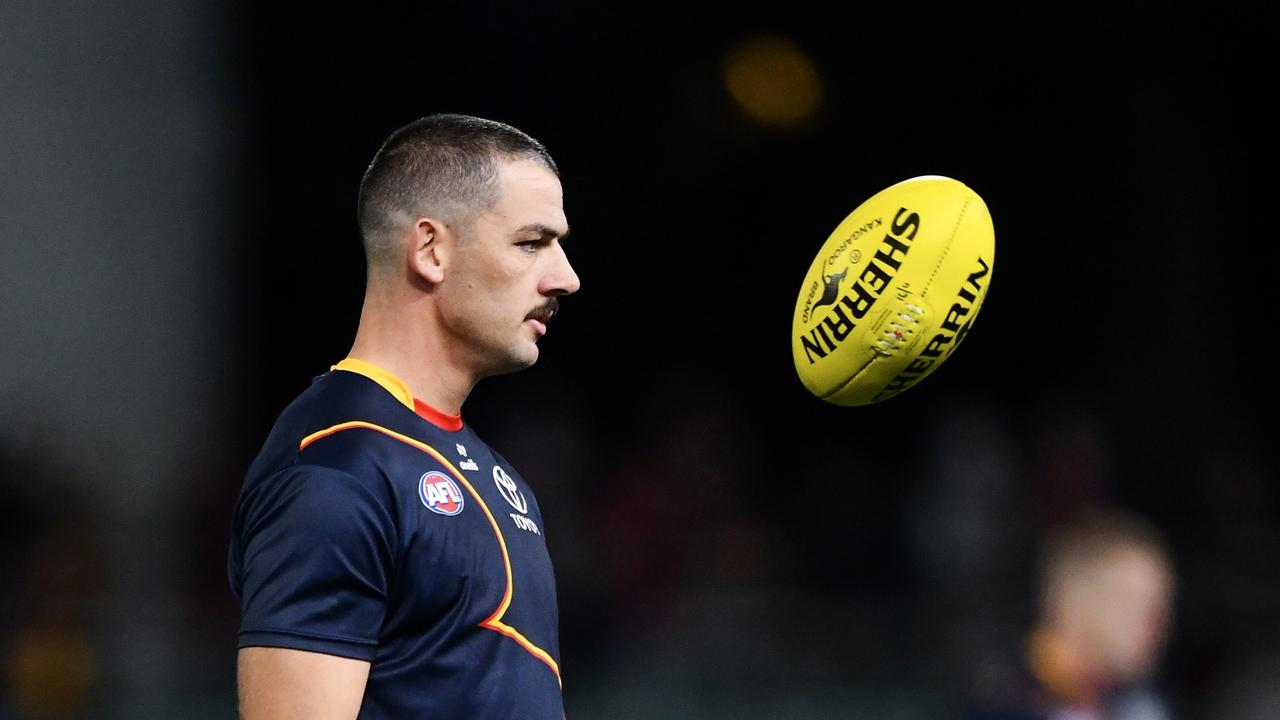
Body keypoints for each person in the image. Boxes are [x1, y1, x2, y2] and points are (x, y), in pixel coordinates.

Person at [227, 114, 580, 719]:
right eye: (531, 242)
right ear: (430, 250)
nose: (566, 278)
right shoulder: (339, 469)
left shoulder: (498, 479)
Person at [970, 508, 1177, 720]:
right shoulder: (1002, 705)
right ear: (1070, 602)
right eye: (1127, 600)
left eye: (1160, 603)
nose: (1156, 621)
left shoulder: (1138, 707)